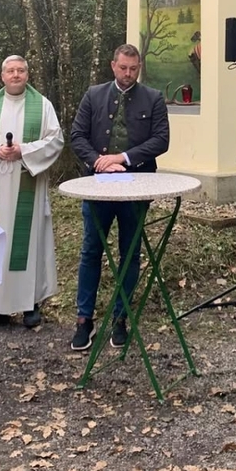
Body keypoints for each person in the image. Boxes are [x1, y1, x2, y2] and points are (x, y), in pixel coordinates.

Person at [70, 43, 170, 351]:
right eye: (123, 68)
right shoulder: (93, 95)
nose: (128, 73)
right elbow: (77, 135)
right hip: (97, 185)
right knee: (91, 250)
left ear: (139, 68)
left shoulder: (153, 98)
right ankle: (84, 320)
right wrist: (99, 161)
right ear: (113, 65)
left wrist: (123, 158)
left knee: (130, 253)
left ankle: (121, 317)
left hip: (137, 186)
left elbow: (161, 140)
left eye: (133, 69)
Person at [0, 56, 64, 329]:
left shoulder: (42, 106)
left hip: (27, 185)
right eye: (11, 71)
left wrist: (24, 151)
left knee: (28, 243)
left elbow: (55, 140)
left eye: (20, 70)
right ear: (2, 76)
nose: (16, 75)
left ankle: (30, 304)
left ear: (27, 75)